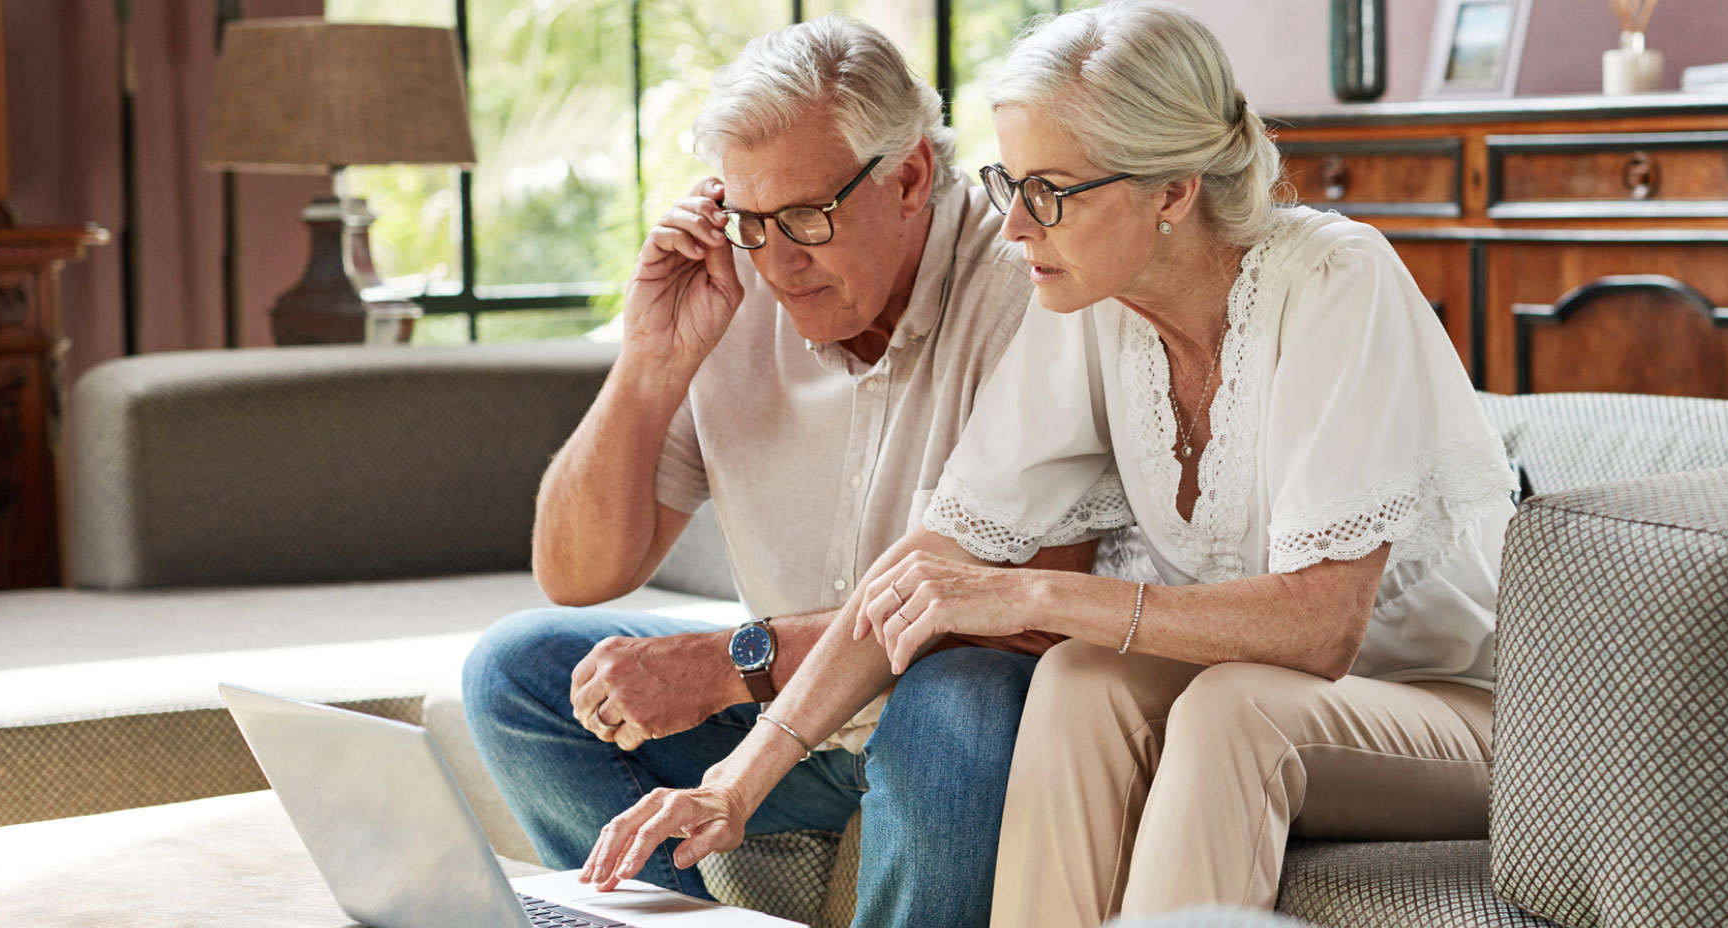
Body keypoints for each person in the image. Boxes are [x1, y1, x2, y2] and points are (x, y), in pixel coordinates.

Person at [579, 3, 1517, 925]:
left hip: (1450, 713)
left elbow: (1322, 631)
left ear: (1173, 191)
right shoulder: (1095, 305)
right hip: (1270, 691)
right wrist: (738, 783)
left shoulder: (1336, 281)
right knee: (1080, 683)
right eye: (1008, 183)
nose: (1017, 228)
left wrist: (1036, 599)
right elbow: (923, 566)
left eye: (1051, 193)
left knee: (1233, 711)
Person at [461, 14, 1135, 928]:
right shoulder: (733, 280)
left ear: (909, 178)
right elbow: (577, 573)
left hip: (950, 721)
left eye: (807, 218)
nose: (776, 261)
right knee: (518, 671)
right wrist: (650, 361)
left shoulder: (1028, 287)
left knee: (962, 696)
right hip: (791, 721)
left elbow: (1031, 607)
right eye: (749, 218)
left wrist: (742, 661)